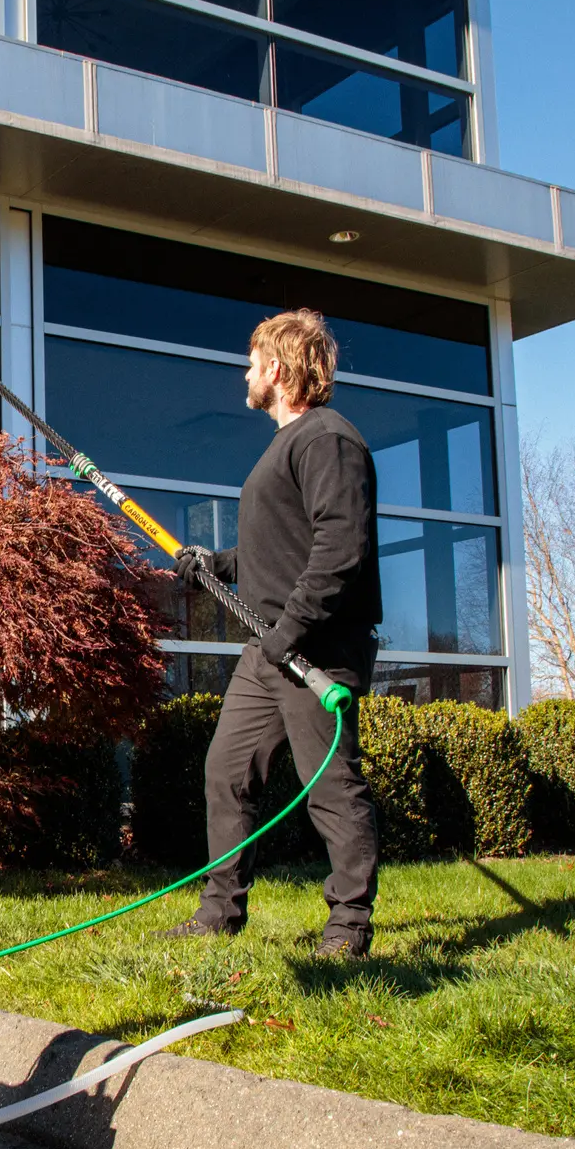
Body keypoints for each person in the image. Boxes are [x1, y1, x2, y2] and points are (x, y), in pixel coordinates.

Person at [161, 309, 383, 957]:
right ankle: (219, 912)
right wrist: (217, 565)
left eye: (252, 361)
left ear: (277, 369)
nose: (246, 373)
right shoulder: (286, 446)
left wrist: (290, 631)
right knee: (226, 771)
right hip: (272, 654)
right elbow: (276, 550)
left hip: (314, 649)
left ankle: (348, 927)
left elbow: (341, 547)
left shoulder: (328, 439)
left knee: (332, 788)